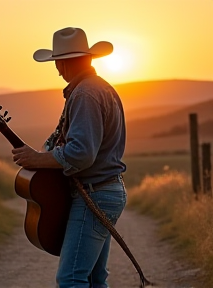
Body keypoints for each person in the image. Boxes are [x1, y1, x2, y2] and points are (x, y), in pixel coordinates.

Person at [12, 27, 127, 288]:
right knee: (94, 279)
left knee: (71, 278)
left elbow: (82, 153)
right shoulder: (98, 88)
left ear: (65, 62)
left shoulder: (85, 94)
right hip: (104, 190)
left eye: (58, 63)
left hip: (94, 193)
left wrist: (37, 160)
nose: (57, 70)